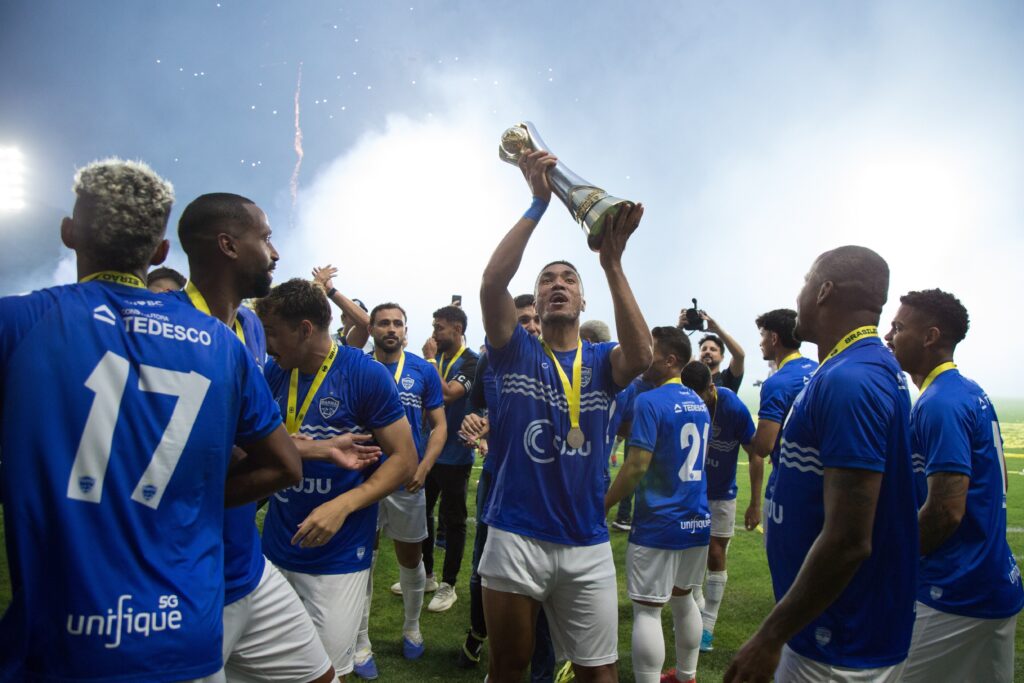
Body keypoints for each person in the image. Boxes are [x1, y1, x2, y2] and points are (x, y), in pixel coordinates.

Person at [0, 159, 302, 681]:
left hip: (65, 640)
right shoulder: (218, 345)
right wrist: (190, 496)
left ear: (69, 233)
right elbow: (285, 467)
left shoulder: (19, 323)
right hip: (184, 631)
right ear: (161, 252)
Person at [177, 192, 384, 683]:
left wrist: (318, 452)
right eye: (265, 238)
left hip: (246, 563)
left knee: (323, 675)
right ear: (229, 245)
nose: (274, 252)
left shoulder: (245, 329)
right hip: (193, 569)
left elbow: (261, 443)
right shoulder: (174, 330)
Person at [478, 149, 652, 682]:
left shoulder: (601, 362)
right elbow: (490, 285)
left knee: (600, 673)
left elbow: (642, 357)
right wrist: (537, 203)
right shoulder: (514, 350)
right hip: (515, 534)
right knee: (510, 667)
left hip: (586, 540)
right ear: (533, 298)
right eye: (547, 280)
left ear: (581, 298)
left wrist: (611, 262)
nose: (557, 284)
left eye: (568, 280)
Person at [726, 245, 917, 682]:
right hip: (824, 628)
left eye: (805, 282)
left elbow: (849, 538)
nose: (800, 294)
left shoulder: (853, 380)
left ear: (824, 290)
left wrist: (769, 636)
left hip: (838, 642)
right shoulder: (851, 368)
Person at [255, 278, 418, 682]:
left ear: (305, 329)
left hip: (337, 555)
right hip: (274, 548)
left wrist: (343, 505)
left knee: (326, 673)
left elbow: (404, 459)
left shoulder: (365, 375)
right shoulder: (274, 373)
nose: (268, 343)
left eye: (273, 333)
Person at [884, 289, 1023, 682]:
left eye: (898, 327)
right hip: (994, 580)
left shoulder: (939, 403)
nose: (889, 336)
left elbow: (946, 509)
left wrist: (894, 560)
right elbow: (1002, 482)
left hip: (954, 590)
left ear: (929, 337)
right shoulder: (970, 391)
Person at [457, 294, 555, 683]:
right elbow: (479, 407)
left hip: (543, 491)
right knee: (484, 572)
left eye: (534, 320)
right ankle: (483, 637)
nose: (530, 326)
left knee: (543, 591)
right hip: (497, 481)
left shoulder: (558, 365)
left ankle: (541, 674)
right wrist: (477, 425)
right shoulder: (490, 361)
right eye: (522, 321)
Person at [605, 327, 711, 683]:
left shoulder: (649, 402)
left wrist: (603, 503)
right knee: (684, 600)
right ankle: (687, 676)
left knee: (648, 611)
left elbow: (635, 466)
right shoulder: (700, 402)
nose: (643, 355)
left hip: (659, 523)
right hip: (697, 519)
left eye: (651, 351)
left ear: (670, 361)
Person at [352, 302, 447, 678]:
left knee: (411, 558)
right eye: (383, 323)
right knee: (362, 561)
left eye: (397, 323)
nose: (391, 329)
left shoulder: (423, 370)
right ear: (372, 328)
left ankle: (411, 627)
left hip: (408, 481)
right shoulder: (356, 365)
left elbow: (439, 426)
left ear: (405, 330)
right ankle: (360, 643)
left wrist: (424, 466)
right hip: (364, 480)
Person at [679, 360, 755, 654]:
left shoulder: (732, 406)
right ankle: (695, 614)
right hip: (692, 491)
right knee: (692, 553)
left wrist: (755, 503)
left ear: (711, 388)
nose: (696, 403)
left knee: (714, 552)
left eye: (701, 396)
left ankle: (707, 627)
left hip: (723, 493)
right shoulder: (684, 404)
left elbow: (756, 453)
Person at [417, 304, 479, 612]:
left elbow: (448, 393)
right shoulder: (438, 358)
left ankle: (449, 584)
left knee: (453, 522)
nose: (434, 334)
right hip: (429, 453)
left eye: (439, 328)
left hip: (456, 454)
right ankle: (427, 574)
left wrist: (428, 361)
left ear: (457, 329)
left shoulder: (471, 362)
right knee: (422, 516)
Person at [745, 309, 817, 535]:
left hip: (789, 488)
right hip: (823, 483)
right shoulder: (821, 370)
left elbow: (764, 447)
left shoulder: (777, 383)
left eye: (763, 336)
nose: (760, 343)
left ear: (774, 338)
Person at [312, 263, 370, 349]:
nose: (357, 316)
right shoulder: (328, 340)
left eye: (361, 312)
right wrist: (317, 288)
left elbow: (366, 323)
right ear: (343, 319)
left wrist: (330, 290)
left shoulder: (371, 347)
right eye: (351, 312)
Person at [689, 311, 745, 392]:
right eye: (704, 349)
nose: (707, 351)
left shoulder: (727, 379)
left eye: (713, 349)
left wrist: (717, 330)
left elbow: (739, 356)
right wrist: (679, 328)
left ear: (722, 357)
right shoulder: (690, 381)